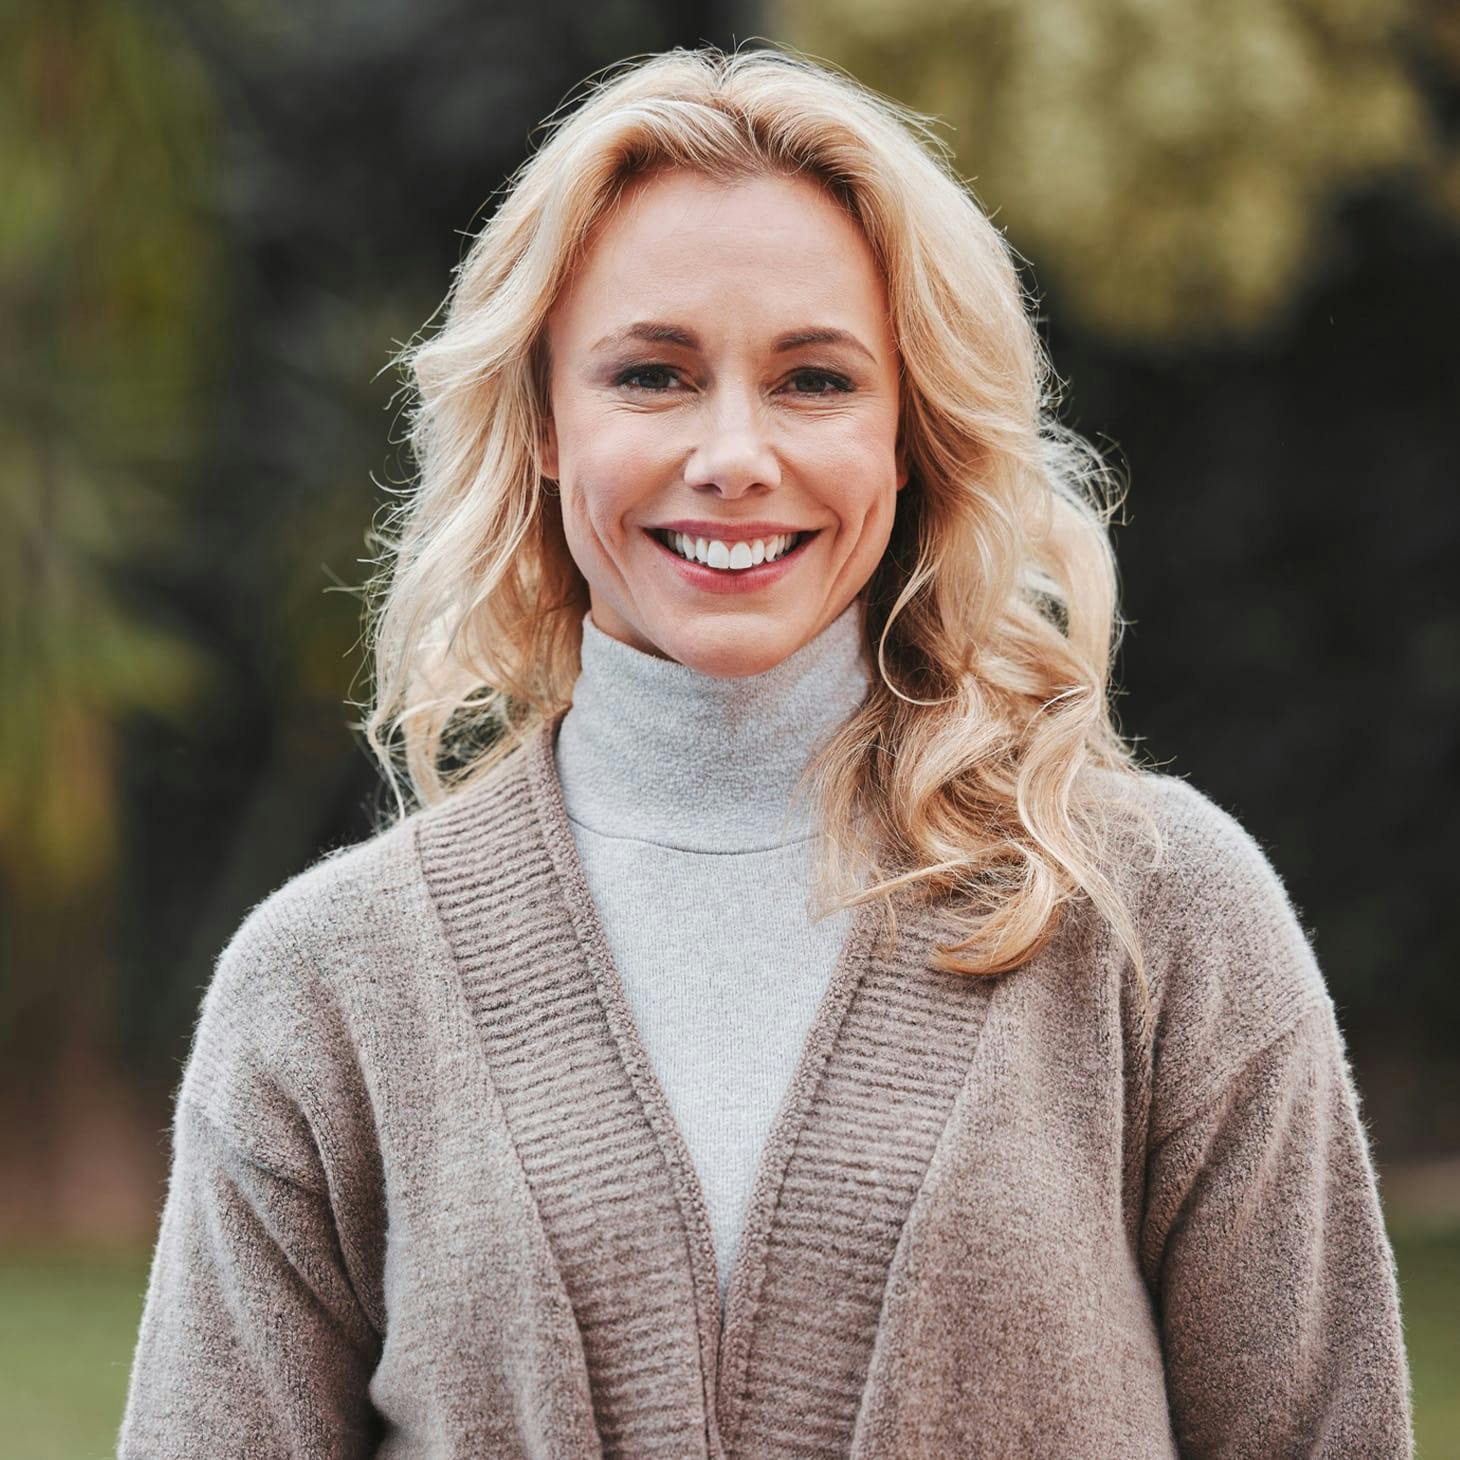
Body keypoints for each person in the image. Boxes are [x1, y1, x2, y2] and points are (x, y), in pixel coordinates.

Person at [118, 43, 1413, 1459]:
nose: (734, 452)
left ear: (912, 430)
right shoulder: (326, 985)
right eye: (654, 374)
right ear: (545, 420)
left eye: (813, 380)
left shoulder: (1157, 914)